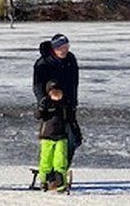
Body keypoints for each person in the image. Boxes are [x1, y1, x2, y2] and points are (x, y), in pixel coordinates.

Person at [33, 34, 82, 164]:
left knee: (75, 139)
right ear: (54, 48)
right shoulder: (43, 63)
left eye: (66, 47)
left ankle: (61, 168)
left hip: (69, 104)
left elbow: (74, 82)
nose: (64, 50)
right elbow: (37, 85)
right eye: (60, 47)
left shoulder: (71, 59)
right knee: (53, 137)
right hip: (51, 106)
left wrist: (73, 100)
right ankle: (52, 172)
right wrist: (42, 101)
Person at [36, 81, 73, 192]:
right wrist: (41, 108)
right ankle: (44, 181)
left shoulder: (65, 103)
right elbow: (38, 115)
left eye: (58, 92)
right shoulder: (46, 103)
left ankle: (61, 184)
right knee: (46, 161)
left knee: (60, 161)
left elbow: (70, 118)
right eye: (54, 92)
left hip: (61, 137)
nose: (56, 94)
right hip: (47, 136)